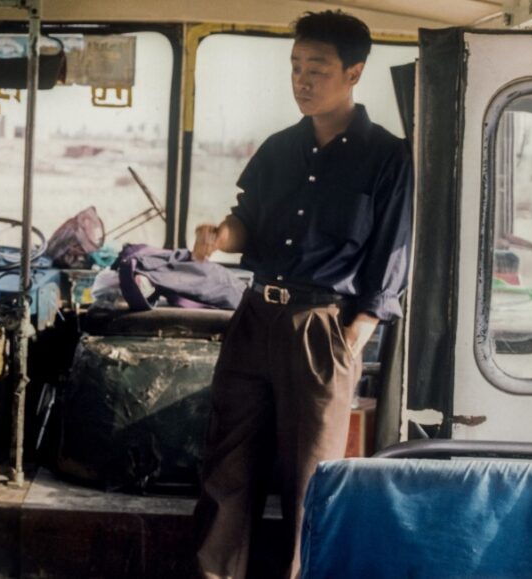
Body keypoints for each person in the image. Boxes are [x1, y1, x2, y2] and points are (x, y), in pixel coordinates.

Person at [191, 11, 412, 579]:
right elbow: (246, 222)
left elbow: (389, 258)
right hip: (253, 320)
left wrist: (352, 338)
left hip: (323, 329)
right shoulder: (278, 148)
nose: (302, 80)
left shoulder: (388, 158)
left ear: (354, 72)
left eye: (317, 68)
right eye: (295, 67)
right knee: (225, 475)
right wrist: (220, 237)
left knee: (311, 483)